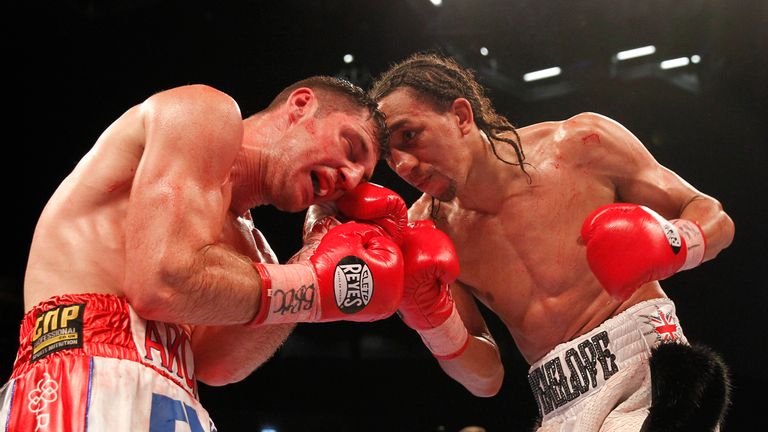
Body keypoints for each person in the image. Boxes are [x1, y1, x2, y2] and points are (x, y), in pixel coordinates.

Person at [0, 76, 409, 431]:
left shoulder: (259, 257)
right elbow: (162, 281)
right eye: (351, 148)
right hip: (83, 371)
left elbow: (216, 367)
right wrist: (316, 287)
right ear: (301, 105)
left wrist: (315, 257)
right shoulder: (206, 113)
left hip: (178, 398)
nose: (350, 178)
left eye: (362, 177)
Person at [367, 52, 735, 431]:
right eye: (388, 155)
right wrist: (431, 320)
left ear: (460, 116)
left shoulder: (581, 145)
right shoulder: (426, 233)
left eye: (409, 136)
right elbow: (485, 379)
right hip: (558, 402)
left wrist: (672, 241)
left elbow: (714, 218)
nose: (403, 165)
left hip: (648, 373)